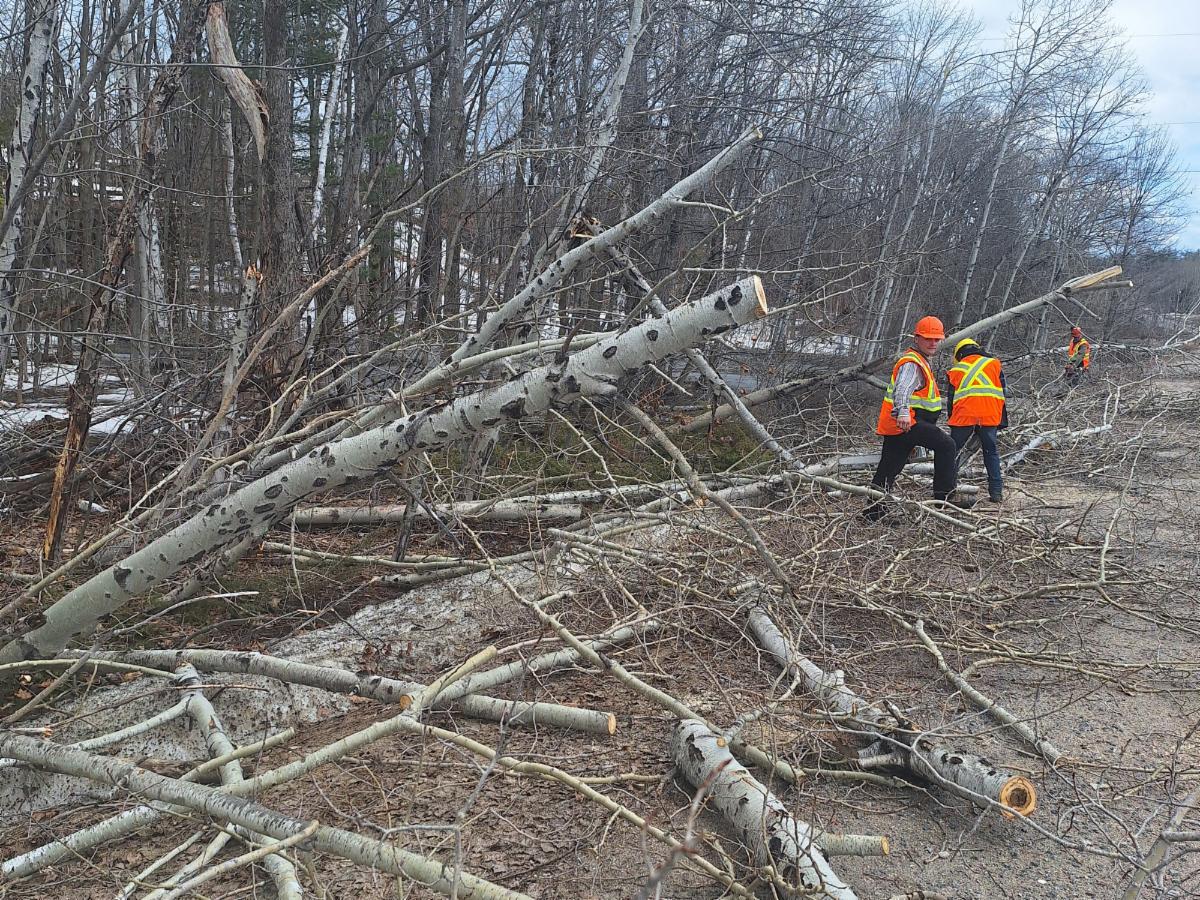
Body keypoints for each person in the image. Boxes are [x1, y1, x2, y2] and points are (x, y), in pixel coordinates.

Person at [864, 315, 974, 520]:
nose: (933, 343)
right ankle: (945, 496)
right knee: (947, 445)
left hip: (900, 425)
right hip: (908, 422)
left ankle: (873, 512)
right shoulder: (912, 363)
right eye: (928, 338)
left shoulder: (919, 360)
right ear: (917, 338)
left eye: (936, 339)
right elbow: (902, 390)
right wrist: (904, 413)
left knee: (889, 468)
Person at [946, 338, 1007, 503]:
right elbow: (1002, 392)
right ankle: (996, 493)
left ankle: (947, 490)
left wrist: (952, 418)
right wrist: (1000, 419)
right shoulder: (994, 364)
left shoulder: (956, 369)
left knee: (953, 451)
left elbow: (951, 399)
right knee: (991, 452)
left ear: (959, 354)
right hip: (989, 415)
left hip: (964, 415)